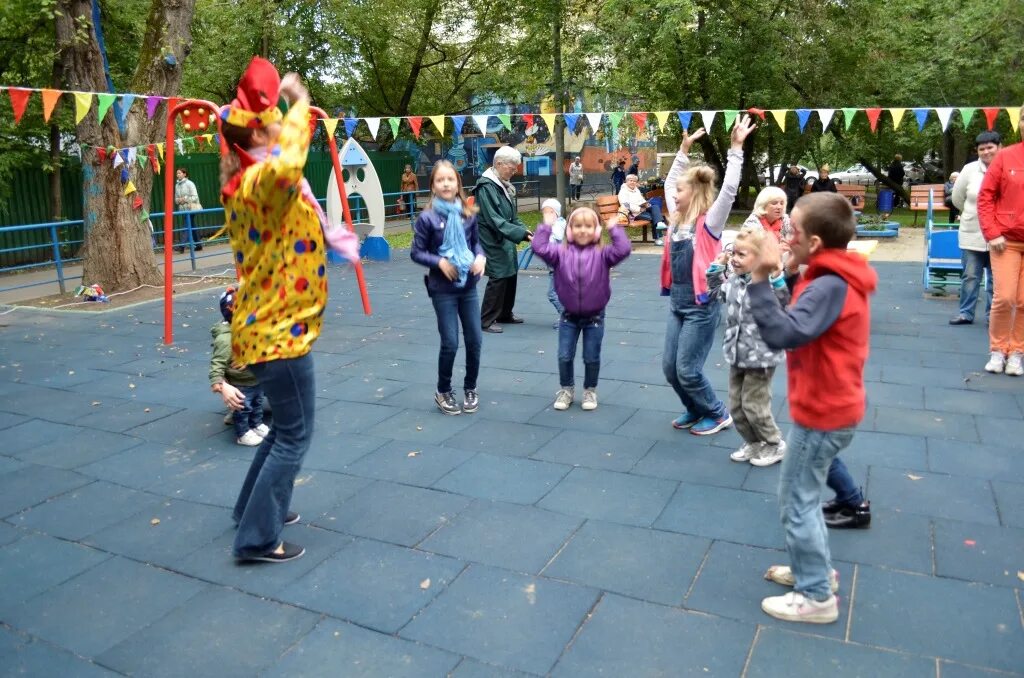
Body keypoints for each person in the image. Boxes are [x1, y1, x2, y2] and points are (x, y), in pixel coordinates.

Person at [218, 58, 357, 563]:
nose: (282, 125)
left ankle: (250, 511)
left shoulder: (244, 184)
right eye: (273, 121)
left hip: (267, 329)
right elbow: (289, 164)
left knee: (282, 429)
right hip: (279, 334)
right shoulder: (262, 184)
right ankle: (257, 538)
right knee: (295, 435)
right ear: (259, 136)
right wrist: (300, 106)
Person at [747, 191, 878, 624]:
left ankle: (817, 597)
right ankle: (813, 570)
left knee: (796, 502)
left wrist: (761, 279)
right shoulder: (829, 276)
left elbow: (784, 333)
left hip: (823, 414)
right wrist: (783, 273)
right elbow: (801, 316)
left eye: (793, 231)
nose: (785, 235)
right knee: (801, 497)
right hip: (831, 408)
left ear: (815, 243)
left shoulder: (828, 284)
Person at [661, 114, 756, 436]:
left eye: (680, 191)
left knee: (687, 369)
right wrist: (683, 150)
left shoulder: (709, 222)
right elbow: (668, 182)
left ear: (695, 194)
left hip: (701, 306)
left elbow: (729, 189)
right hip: (677, 301)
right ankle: (693, 408)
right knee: (670, 369)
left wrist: (736, 148)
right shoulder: (675, 219)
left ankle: (716, 414)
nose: (674, 194)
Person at [531, 207, 630, 411]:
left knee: (591, 356)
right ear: (569, 231)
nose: (582, 230)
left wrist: (614, 229)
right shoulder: (560, 253)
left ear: (595, 231)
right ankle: (566, 389)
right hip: (568, 317)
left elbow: (623, 250)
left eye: (588, 226)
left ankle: (590, 390)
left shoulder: (603, 254)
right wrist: (546, 226)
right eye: (577, 226)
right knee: (564, 355)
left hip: (595, 317)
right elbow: (539, 247)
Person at [706, 227, 788, 467]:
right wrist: (717, 268)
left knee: (755, 405)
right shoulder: (733, 282)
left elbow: (784, 302)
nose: (734, 258)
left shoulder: (770, 286)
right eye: (734, 253)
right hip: (736, 353)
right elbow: (714, 292)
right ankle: (753, 442)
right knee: (736, 405)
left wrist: (776, 275)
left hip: (761, 357)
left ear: (760, 260)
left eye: (741, 255)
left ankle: (774, 443)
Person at [411, 160, 486, 415]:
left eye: (450, 179)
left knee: (475, 340)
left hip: (468, 286)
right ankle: (443, 390)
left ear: (457, 184)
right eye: (440, 180)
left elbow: (476, 244)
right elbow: (417, 253)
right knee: (451, 342)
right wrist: (439, 261)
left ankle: (470, 387)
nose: (446, 184)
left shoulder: (467, 214)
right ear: (432, 186)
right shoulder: (427, 218)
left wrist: (480, 258)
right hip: (442, 289)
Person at [977, 129, 1024, 376]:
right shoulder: (1006, 157)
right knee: (1004, 297)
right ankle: (998, 349)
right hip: (1006, 241)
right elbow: (985, 197)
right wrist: (992, 232)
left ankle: (1016, 352)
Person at [473, 146, 533, 333]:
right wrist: (521, 234)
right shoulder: (486, 186)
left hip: (504, 234)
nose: (515, 171)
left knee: (511, 271)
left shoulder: (502, 184)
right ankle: (486, 320)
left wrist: (525, 229)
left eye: (516, 168)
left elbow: (511, 216)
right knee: (499, 275)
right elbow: (494, 219)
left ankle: (505, 313)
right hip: (491, 237)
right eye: (512, 167)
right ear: (499, 164)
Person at [950, 131, 1001, 326]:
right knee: (970, 276)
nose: (986, 152)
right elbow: (957, 198)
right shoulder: (969, 170)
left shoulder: (1007, 167)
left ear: (999, 147)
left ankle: (993, 316)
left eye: (990, 147)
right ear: (977, 151)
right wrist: (971, 213)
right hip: (972, 232)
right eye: (982, 149)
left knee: (996, 280)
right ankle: (965, 313)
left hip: (999, 234)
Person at [210, 286, 268, 446]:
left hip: (256, 379)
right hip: (241, 383)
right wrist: (217, 381)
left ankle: (256, 424)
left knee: (257, 404)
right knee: (243, 409)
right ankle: (243, 433)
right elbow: (217, 363)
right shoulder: (226, 340)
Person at [539, 198, 567, 326]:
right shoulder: (557, 224)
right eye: (545, 213)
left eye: (551, 212)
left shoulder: (557, 226)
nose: (547, 215)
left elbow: (556, 238)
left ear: (557, 213)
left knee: (552, 294)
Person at [617, 173, 663, 242]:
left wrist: (646, 204)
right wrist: (639, 209)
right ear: (626, 181)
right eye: (630, 180)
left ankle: (659, 224)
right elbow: (625, 204)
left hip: (642, 209)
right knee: (654, 217)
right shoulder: (623, 191)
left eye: (634, 181)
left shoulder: (636, 190)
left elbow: (641, 200)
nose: (632, 182)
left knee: (655, 207)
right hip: (634, 213)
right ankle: (657, 237)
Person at [174, 167, 203, 252]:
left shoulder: (190, 183)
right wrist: (178, 200)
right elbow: (176, 199)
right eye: (177, 173)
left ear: (184, 174)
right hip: (183, 209)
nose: (178, 175)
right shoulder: (177, 185)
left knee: (186, 226)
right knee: (192, 225)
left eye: (179, 173)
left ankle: (181, 246)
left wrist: (184, 199)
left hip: (191, 208)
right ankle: (198, 245)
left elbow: (195, 197)